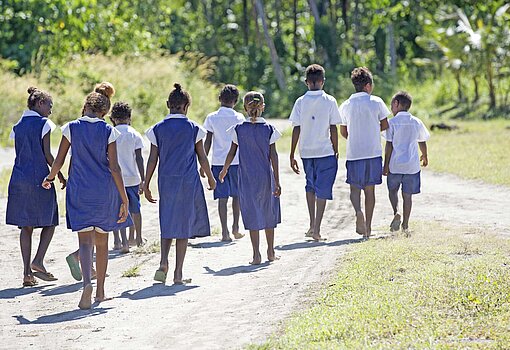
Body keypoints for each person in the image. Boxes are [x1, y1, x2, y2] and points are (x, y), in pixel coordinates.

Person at [42, 82, 131, 309]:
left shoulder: (71, 127)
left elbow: (59, 159)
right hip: (104, 191)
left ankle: (86, 285)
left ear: (86, 107)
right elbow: (114, 168)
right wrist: (124, 198)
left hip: (79, 190)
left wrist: (51, 177)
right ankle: (100, 292)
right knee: (102, 243)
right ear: (104, 112)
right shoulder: (108, 131)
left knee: (85, 242)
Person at [144, 83, 216, 284]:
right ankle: (178, 274)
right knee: (183, 227)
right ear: (186, 106)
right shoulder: (194, 129)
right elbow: (202, 157)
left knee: (167, 221)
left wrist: (146, 183)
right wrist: (210, 178)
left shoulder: (157, 129)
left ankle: (163, 262)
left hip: (166, 182)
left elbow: (152, 159)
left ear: (168, 104)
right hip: (188, 182)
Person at [7, 87, 66, 287]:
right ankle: (38, 261)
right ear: (40, 103)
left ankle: (26, 273)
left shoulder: (16, 126)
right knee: (50, 220)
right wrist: (59, 174)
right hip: (40, 178)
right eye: (50, 105)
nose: (51, 110)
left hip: (19, 178)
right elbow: (47, 155)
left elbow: (20, 154)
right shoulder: (44, 124)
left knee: (26, 225)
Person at [220, 91, 281, 265]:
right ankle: (271, 251)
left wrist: (224, 170)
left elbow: (232, 152)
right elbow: (274, 156)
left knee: (252, 212)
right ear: (263, 107)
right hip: (265, 178)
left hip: (246, 178)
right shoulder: (269, 129)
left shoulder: (238, 129)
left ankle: (256, 255)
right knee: (268, 211)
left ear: (245, 108)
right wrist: (277, 180)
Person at [289, 64, 341, 241]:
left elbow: (296, 128)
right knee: (323, 189)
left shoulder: (300, 102)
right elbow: (333, 127)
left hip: (306, 152)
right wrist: (336, 149)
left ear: (306, 82)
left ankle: (312, 225)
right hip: (325, 151)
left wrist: (292, 154)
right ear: (322, 81)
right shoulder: (330, 101)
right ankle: (317, 228)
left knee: (310, 186)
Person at [339, 67, 390, 238]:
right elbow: (385, 125)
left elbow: (343, 132)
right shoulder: (376, 102)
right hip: (373, 153)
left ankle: (358, 211)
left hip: (354, 153)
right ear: (368, 86)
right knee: (370, 191)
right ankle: (368, 227)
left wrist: (355, 138)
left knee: (354, 189)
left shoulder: (346, 105)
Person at [383, 91, 430, 236]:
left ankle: (396, 212)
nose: (391, 108)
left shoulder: (391, 123)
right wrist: (425, 155)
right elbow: (422, 140)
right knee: (407, 196)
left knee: (392, 191)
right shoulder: (416, 122)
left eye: (392, 104)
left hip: (395, 165)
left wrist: (385, 165)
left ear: (397, 104)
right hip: (411, 166)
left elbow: (389, 146)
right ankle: (406, 225)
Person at [203, 84, 245, 242]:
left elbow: (207, 142)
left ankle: (224, 232)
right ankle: (236, 227)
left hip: (218, 163)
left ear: (219, 99)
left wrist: (204, 164)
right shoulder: (239, 118)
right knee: (237, 196)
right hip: (236, 162)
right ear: (235, 101)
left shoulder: (211, 118)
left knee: (222, 197)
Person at [110, 101, 145, 252]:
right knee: (135, 209)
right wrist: (143, 179)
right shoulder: (134, 134)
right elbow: (139, 158)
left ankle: (121, 242)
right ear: (130, 117)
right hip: (132, 180)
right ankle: (137, 238)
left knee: (118, 210)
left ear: (112, 119)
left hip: (115, 180)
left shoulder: (110, 134)